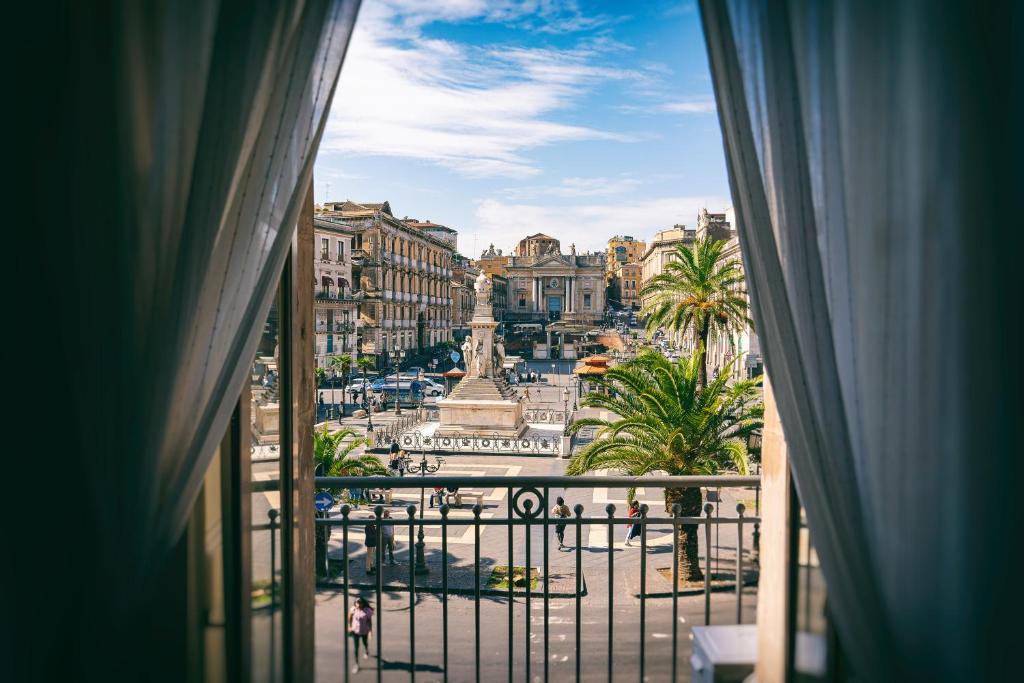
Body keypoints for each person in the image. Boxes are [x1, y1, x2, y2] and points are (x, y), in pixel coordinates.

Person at [348, 597, 374, 671]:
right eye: (357, 603)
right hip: (355, 631)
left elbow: (369, 621)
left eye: (360, 603)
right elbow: (349, 618)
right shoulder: (353, 609)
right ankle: (357, 664)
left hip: (364, 630)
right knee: (356, 648)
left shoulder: (367, 611)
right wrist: (349, 627)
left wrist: (370, 631)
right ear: (355, 603)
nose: (358, 604)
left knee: (364, 642)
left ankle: (366, 651)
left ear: (363, 603)